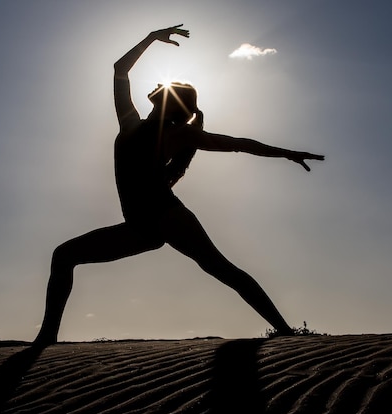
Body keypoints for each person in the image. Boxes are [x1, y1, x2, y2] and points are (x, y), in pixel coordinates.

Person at [34, 25, 324, 346]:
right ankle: (47, 337)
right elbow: (120, 70)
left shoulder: (175, 134)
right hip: (140, 226)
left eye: (165, 85)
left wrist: (287, 153)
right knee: (64, 256)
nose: (158, 83)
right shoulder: (133, 123)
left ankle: (285, 332)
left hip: (166, 216)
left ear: (170, 103)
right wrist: (151, 37)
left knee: (221, 268)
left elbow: (239, 143)